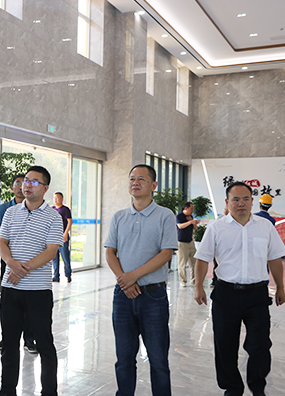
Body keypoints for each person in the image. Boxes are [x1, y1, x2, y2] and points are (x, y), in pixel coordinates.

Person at [194, 182, 285, 396]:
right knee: (224, 346)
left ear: (252, 201)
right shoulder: (216, 227)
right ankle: (232, 388)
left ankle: (257, 387)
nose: (241, 203)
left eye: (245, 199)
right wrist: (198, 287)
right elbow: (202, 259)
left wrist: (280, 287)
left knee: (260, 345)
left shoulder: (265, 227)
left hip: (257, 295)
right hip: (225, 295)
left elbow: (274, 258)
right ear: (227, 202)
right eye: (235, 199)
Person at [104, 164, 178, 396]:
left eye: (141, 179)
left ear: (153, 185)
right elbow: (110, 252)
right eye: (132, 179)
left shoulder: (165, 215)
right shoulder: (119, 216)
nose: (135, 183)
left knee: (158, 360)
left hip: (153, 296)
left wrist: (133, 276)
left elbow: (166, 254)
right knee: (124, 359)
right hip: (123, 296)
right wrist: (124, 281)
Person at [0, 166, 64, 396]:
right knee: (9, 342)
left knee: (44, 343)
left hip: (38, 291)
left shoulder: (53, 217)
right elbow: (2, 243)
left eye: (34, 182)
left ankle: (49, 391)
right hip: (10, 288)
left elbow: (50, 252)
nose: (27, 185)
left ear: (45, 188)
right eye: (26, 180)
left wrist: (21, 270)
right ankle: (7, 390)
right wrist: (11, 264)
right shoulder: (11, 212)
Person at [0, 175, 37, 354]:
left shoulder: (36, 208)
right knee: (8, 301)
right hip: (9, 260)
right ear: (12, 187)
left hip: (30, 263)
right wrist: (11, 261)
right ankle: (7, 337)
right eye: (17, 183)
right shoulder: (5, 209)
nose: (21, 187)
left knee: (29, 301)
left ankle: (29, 339)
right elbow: (0, 235)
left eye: (24, 183)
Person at [176, 201, 199, 287]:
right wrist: (190, 222)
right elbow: (180, 226)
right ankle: (183, 281)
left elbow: (195, 228)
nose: (192, 211)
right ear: (186, 208)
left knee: (194, 262)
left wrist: (193, 222)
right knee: (182, 263)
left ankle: (194, 280)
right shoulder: (179, 216)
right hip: (181, 243)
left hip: (190, 242)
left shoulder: (191, 217)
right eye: (191, 209)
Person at [51, 192, 73, 283]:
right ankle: (56, 276)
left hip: (63, 236)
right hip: (54, 237)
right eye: (54, 198)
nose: (55, 199)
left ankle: (68, 275)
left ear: (62, 199)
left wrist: (65, 233)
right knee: (54, 258)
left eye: (57, 198)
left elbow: (70, 222)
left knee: (65, 257)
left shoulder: (65, 209)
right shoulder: (52, 209)